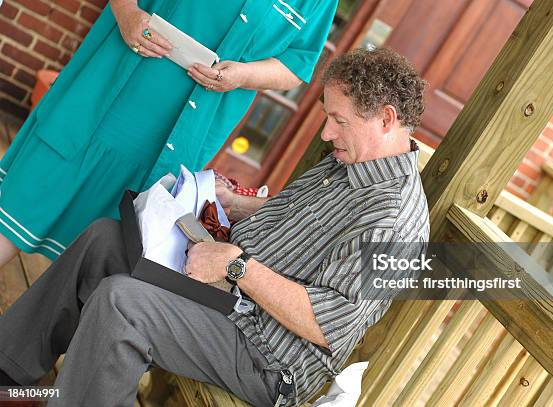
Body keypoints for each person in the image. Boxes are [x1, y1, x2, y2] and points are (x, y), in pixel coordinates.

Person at [0, 48, 429, 407]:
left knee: (122, 305)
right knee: (104, 240)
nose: (325, 131)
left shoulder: (394, 219)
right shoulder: (353, 158)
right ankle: (9, 372)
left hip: (265, 352)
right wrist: (237, 205)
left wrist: (236, 266)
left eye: (338, 120)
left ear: (386, 119)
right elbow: (296, 219)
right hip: (225, 294)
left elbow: (328, 325)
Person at [0, 0, 337, 268]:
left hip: (180, 132)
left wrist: (244, 75)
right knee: (24, 200)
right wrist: (127, 12)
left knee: (113, 247)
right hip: (111, 90)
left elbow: (296, 65)